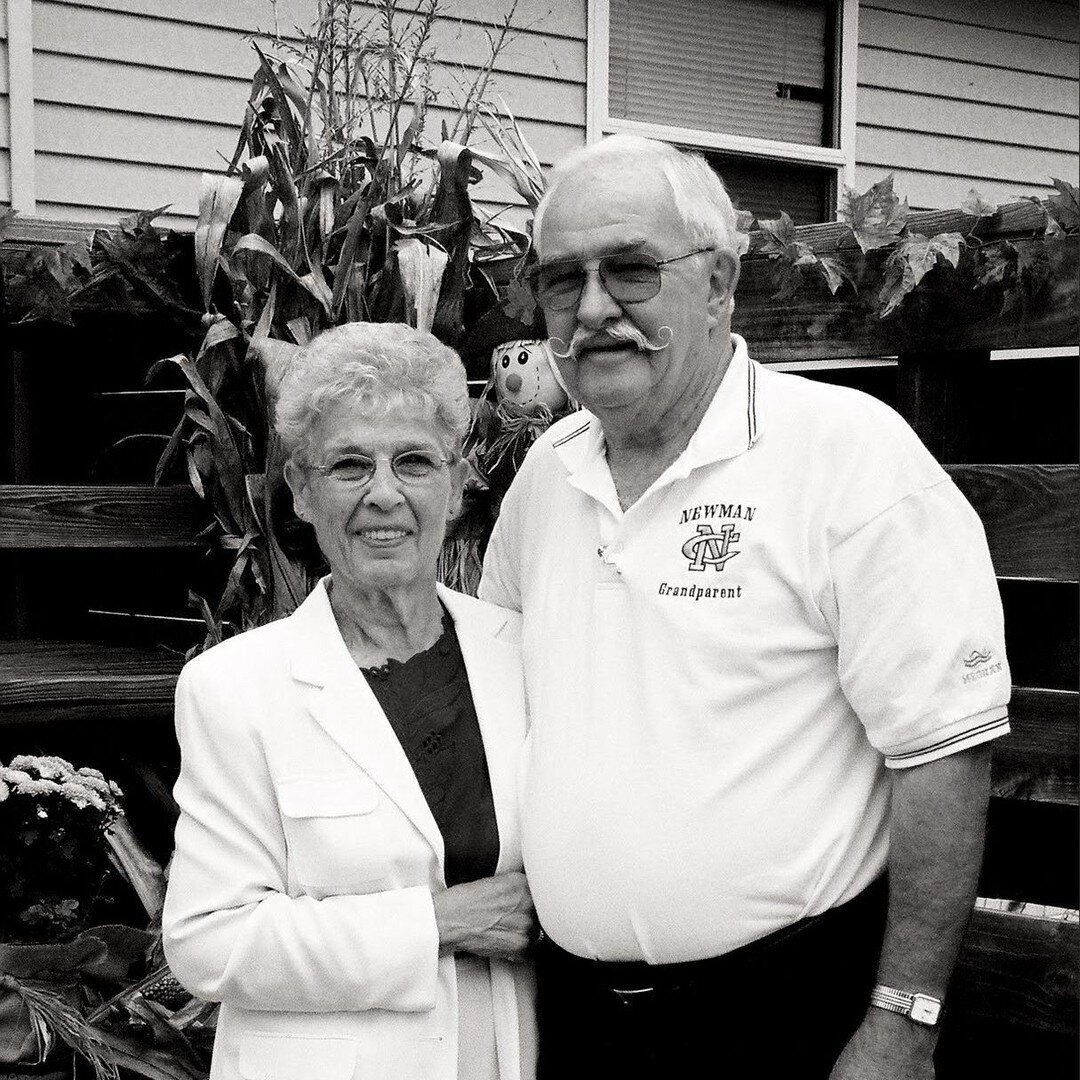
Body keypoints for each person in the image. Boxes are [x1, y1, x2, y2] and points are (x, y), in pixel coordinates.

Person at [478, 135, 1011, 1080]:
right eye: (563, 280)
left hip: (789, 1019)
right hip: (574, 1021)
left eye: (632, 271)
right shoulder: (543, 477)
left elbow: (945, 754)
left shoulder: (847, 458)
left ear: (720, 281)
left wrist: (903, 1023)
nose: (594, 308)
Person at [163, 322, 537, 1080]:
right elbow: (209, 940)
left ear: (458, 482)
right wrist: (438, 924)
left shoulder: (525, 655)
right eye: (348, 466)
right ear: (300, 490)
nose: (384, 494)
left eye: (413, 461)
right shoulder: (236, 689)